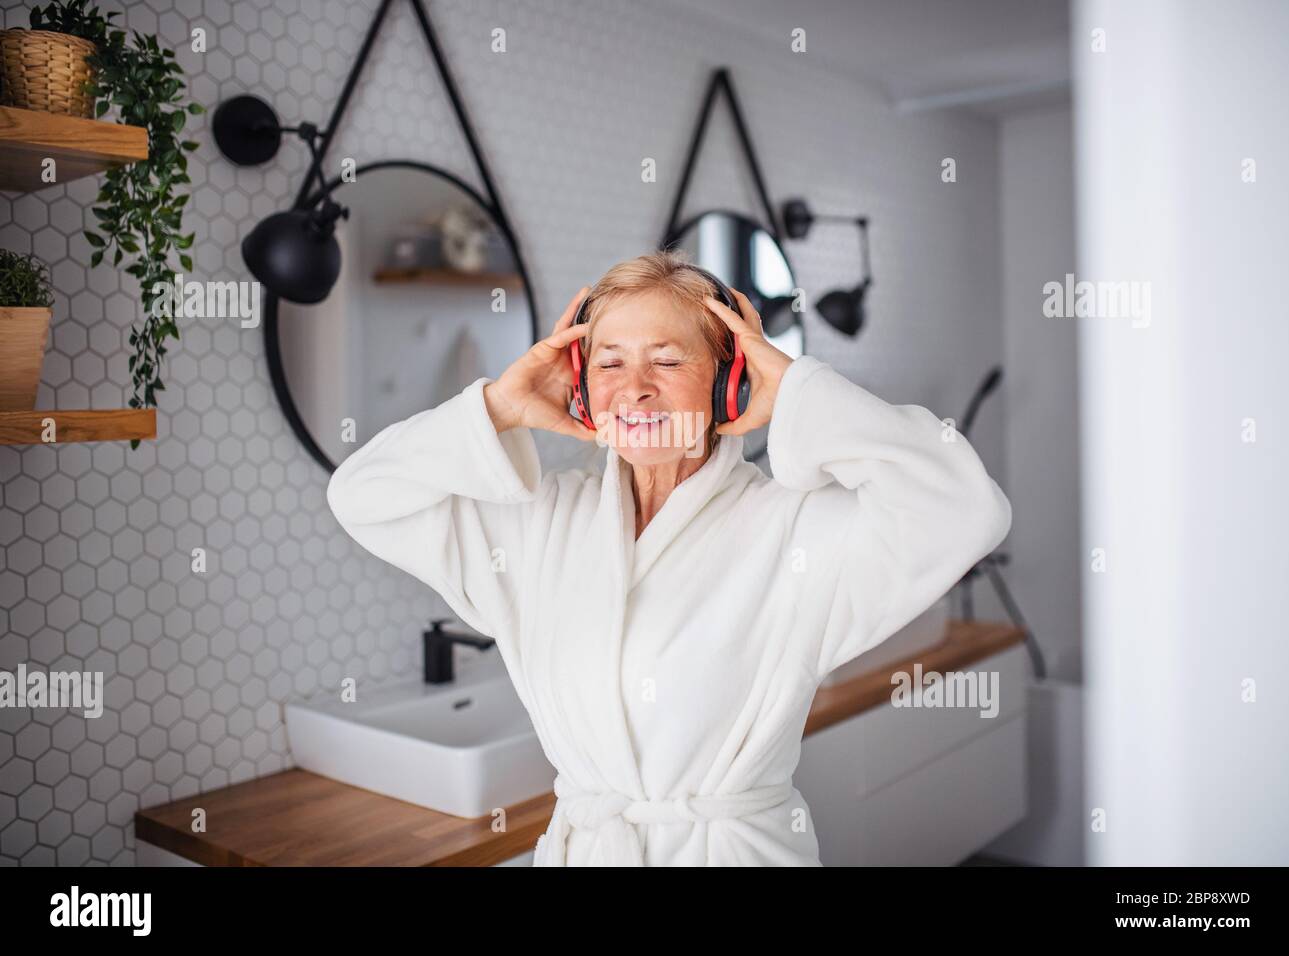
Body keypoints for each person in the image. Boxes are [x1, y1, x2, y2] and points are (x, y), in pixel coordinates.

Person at [326, 249, 1012, 865]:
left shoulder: (794, 531)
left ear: (728, 380)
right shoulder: (534, 526)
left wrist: (799, 388)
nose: (635, 388)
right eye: (610, 362)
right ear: (582, 383)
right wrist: (497, 408)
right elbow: (361, 495)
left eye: (668, 359)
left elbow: (966, 508)